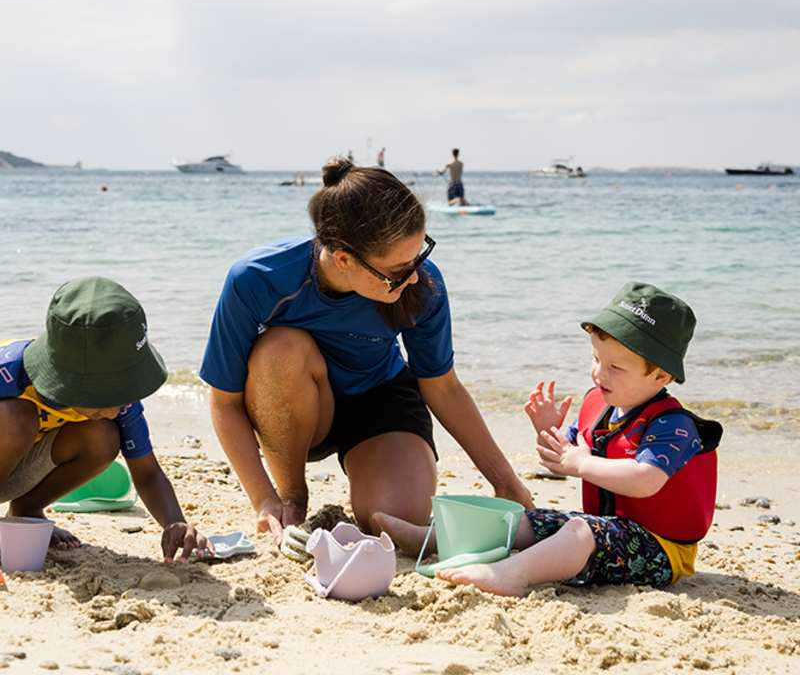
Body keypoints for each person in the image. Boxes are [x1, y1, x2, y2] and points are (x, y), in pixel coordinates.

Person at [200, 158, 531, 540]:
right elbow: (224, 402)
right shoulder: (257, 278)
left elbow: (442, 386)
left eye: (418, 257)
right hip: (298, 406)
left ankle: (370, 480)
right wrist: (264, 499)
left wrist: (506, 483)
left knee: (395, 520)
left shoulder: (422, 284)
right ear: (344, 259)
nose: (413, 276)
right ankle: (293, 498)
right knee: (281, 346)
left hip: (379, 396)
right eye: (398, 269)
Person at [375, 282, 723, 596]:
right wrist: (549, 433)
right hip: (611, 530)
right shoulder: (600, 406)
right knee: (526, 518)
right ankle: (431, 538)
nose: (599, 373)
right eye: (596, 358)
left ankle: (512, 574)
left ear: (661, 374)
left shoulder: (673, 426)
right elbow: (560, 457)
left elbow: (646, 480)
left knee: (578, 532)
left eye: (615, 368)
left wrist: (583, 463)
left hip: (660, 550)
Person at [0, 277, 210, 561]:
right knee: (16, 418)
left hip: (15, 472)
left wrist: (176, 523)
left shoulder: (121, 401)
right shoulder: (8, 374)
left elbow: (147, 473)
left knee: (104, 436)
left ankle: (26, 512)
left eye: (120, 394)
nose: (114, 411)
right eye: (102, 397)